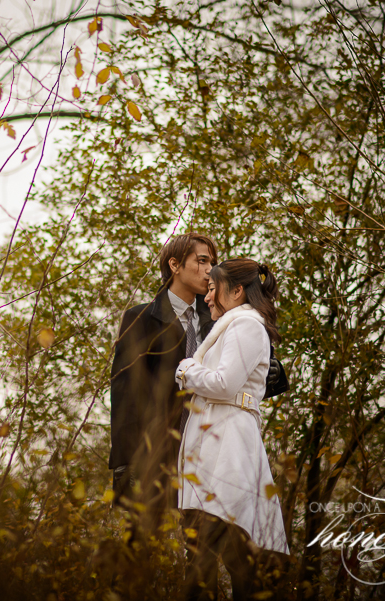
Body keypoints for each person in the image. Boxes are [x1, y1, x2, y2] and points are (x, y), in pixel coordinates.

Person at [109, 235, 287, 533]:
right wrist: (126, 462)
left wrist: (275, 373)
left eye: (213, 263)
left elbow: (242, 379)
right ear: (174, 265)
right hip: (154, 454)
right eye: (202, 261)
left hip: (209, 454)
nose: (209, 270)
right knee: (141, 547)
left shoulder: (223, 318)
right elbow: (125, 395)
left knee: (203, 548)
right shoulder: (140, 318)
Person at [174, 258, 290, 601]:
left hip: (229, 451)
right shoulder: (233, 326)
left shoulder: (246, 325)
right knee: (205, 557)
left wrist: (186, 370)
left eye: (213, 289)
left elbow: (225, 384)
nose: (207, 297)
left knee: (233, 556)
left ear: (237, 291)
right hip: (214, 448)